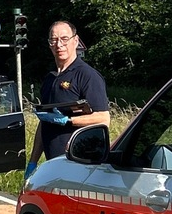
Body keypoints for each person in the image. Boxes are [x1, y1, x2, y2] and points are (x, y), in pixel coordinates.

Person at [26, 21, 111, 177]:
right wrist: (33, 162)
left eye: (64, 39)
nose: (59, 44)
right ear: (49, 44)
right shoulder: (50, 79)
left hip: (80, 165)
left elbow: (103, 118)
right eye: (54, 40)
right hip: (53, 165)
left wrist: (67, 120)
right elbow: (44, 122)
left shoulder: (87, 75)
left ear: (75, 41)